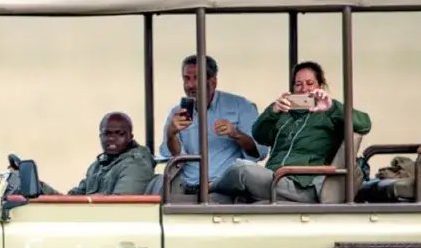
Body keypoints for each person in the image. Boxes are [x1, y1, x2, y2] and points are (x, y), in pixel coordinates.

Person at [215, 60, 371, 203]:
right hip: (276, 179)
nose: (304, 89)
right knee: (219, 197)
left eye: (310, 83)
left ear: (320, 86)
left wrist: (332, 107)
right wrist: (273, 111)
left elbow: (364, 124)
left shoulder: (331, 114)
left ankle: (209, 186)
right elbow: (259, 135)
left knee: (242, 168)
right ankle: (210, 192)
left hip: (302, 185)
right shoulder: (285, 115)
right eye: (298, 84)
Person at [158, 54, 261, 194]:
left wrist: (235, 133)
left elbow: (258, 152)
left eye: (196, 78)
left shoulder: (240, 106)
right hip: (187, 186)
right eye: (186, 79)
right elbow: (177, 159)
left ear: (213, 82)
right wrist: (171, 134)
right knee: (155, 197)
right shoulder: (177, 112)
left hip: (224, 188)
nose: (190, 85)